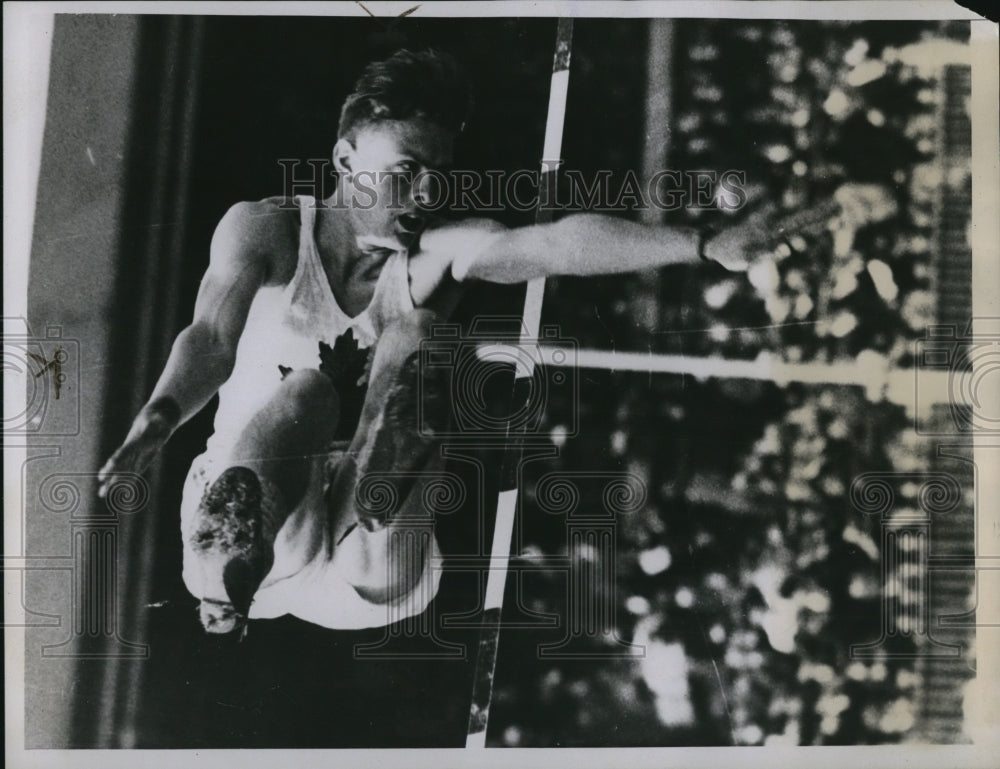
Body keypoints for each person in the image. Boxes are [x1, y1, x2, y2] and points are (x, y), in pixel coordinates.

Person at [96, 49, 782, 637]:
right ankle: (228, 567)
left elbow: (552, 244)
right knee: (305, 392)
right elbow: (212, 337)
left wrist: (702, 245)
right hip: (266, 523)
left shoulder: (432, 255)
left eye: (439, 172)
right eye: (406, 168)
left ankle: (375, 501)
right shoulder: (267, 231)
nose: (426, 191)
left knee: (421, 334)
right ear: (344, 158)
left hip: (363, 568)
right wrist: (155, 422)